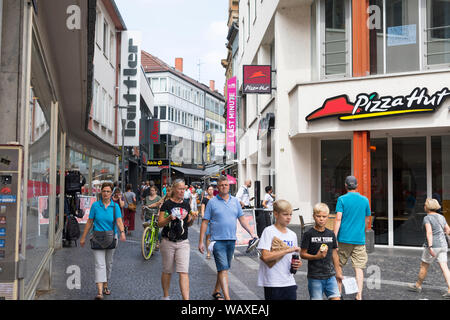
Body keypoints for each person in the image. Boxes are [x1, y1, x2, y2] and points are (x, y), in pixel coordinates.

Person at [198, 175, 258, 300]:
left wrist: (252, 233)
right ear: (218, 187)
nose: (224, 187)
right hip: (217, 241)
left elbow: (242, 219)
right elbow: (205, 222)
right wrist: (201, 242)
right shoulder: (212, 202)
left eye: (226, 185)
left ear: (229, 186)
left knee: (223, 268)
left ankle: (216, 291)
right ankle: (227, 298)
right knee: (224, 269)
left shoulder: (235, 201)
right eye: (221, 185)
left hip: (231, 240)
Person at [80, 182, 126, 300]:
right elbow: (90, 222)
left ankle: (106, 284)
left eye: (108, 191)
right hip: (97, 238)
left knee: (108, 264)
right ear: (101, 192)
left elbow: (119, 221)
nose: (106, 193)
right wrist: (83, 237)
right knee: (99, 264)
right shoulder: (95, 206)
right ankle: (100, 291)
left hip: (111, 237)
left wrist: (122, 232)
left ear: (111, 193)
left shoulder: (115, 207)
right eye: (104, 191)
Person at [158, 179, 197, 300]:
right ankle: (166, 296)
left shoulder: (186, 204)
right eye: (180, 189)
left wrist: (192, 219)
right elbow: (159, 224)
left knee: (184, 271)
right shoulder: (167, 204)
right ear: (174, 189)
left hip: (183, 242)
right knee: (167, 270)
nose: (182, 191)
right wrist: (169, 218)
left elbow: (188, 224)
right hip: (168, 241)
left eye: (183, 189)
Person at [333, 175, 371, 300]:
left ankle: (338, 293)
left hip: (343, 238)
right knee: (359, 267)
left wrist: (334, 236)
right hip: (359, 239)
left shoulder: (342, 199)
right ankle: (359, 294)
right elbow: (367, 220)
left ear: (345, 186)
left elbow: (338, 219)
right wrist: (363, 231)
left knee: (338, 265)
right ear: (357, 185)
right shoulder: (365, 200)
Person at [257, 200, 301, 300]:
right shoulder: (269, 231)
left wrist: (297, 264)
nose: (289, 217)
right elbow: (265, 257)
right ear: (276, 214)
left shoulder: (292, 234)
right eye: (285, 214)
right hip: (273, 282)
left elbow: (293, 257)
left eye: (290, 214)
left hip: (289, 281)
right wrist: (287, 250)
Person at [408, 198, 450, 299]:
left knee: (424, 266)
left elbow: (429, 232)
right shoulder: (441, 217)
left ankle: (417, 285)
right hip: (443, 245)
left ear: (428, 207)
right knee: (445, 267)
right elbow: (448, 230)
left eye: (425, 205)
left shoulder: (427, 218)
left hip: (433, 246)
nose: (424, 206)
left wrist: (430, 246)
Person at [301, 203, 342, 300]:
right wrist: (316, 257)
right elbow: (302, 254)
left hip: (330, 275)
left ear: (328, 217)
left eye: (324, 216)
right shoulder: (308, 234)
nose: (321, 219)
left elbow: (334, 254)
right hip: (315, 276)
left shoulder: (331, 234)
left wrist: (338, 272)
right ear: (313, 216)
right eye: (318, 216)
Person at [200, 185, 215, 259]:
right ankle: (208, 252)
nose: (211, 191)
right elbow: (203, 210)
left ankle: (216, 252)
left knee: (216, 236)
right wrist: (204, 217)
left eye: (212, 189)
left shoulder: (216, 199)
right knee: (208, 236)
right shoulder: (205, 200)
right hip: (208, 220)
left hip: (215, 220)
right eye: (209, 189)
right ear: (207, 190)